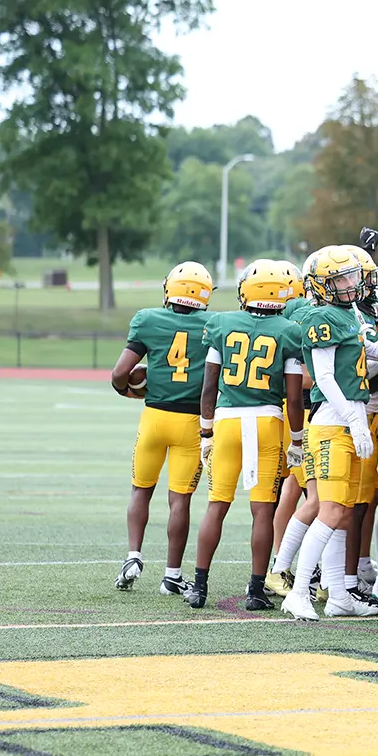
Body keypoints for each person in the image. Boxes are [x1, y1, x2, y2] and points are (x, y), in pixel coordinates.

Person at [191, 261, 306, 611]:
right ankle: (256, 591)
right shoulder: (288, 330)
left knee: (217, 506)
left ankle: (198, 587)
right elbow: (294, 395)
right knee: (261, 511)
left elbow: (209, 385)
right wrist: (298, 440)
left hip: (226, 421)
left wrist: (205, 431)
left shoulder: (222, 324)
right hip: (266, 422)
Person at [280, 246, 378, 622]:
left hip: (348, 419)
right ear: (322, 286)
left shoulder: (346, 314)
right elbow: (323, 377)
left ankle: (338, 594)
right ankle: (299, 591)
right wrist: (354, 420)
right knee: (331, 509)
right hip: (332, 424)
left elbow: (372, 355)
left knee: (343, 512)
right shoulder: (322, 317)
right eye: (340, 279)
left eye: (351, 277)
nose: (351, 285)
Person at [110, 262, 214, 596]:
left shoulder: (148, 319)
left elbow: (118, 374)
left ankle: (133, 556)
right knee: (179, 501)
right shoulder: (214, 325)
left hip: (154, 417)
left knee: (141, 489)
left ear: (170, 289)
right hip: (192, 423)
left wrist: (130, 390)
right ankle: (171, 576)